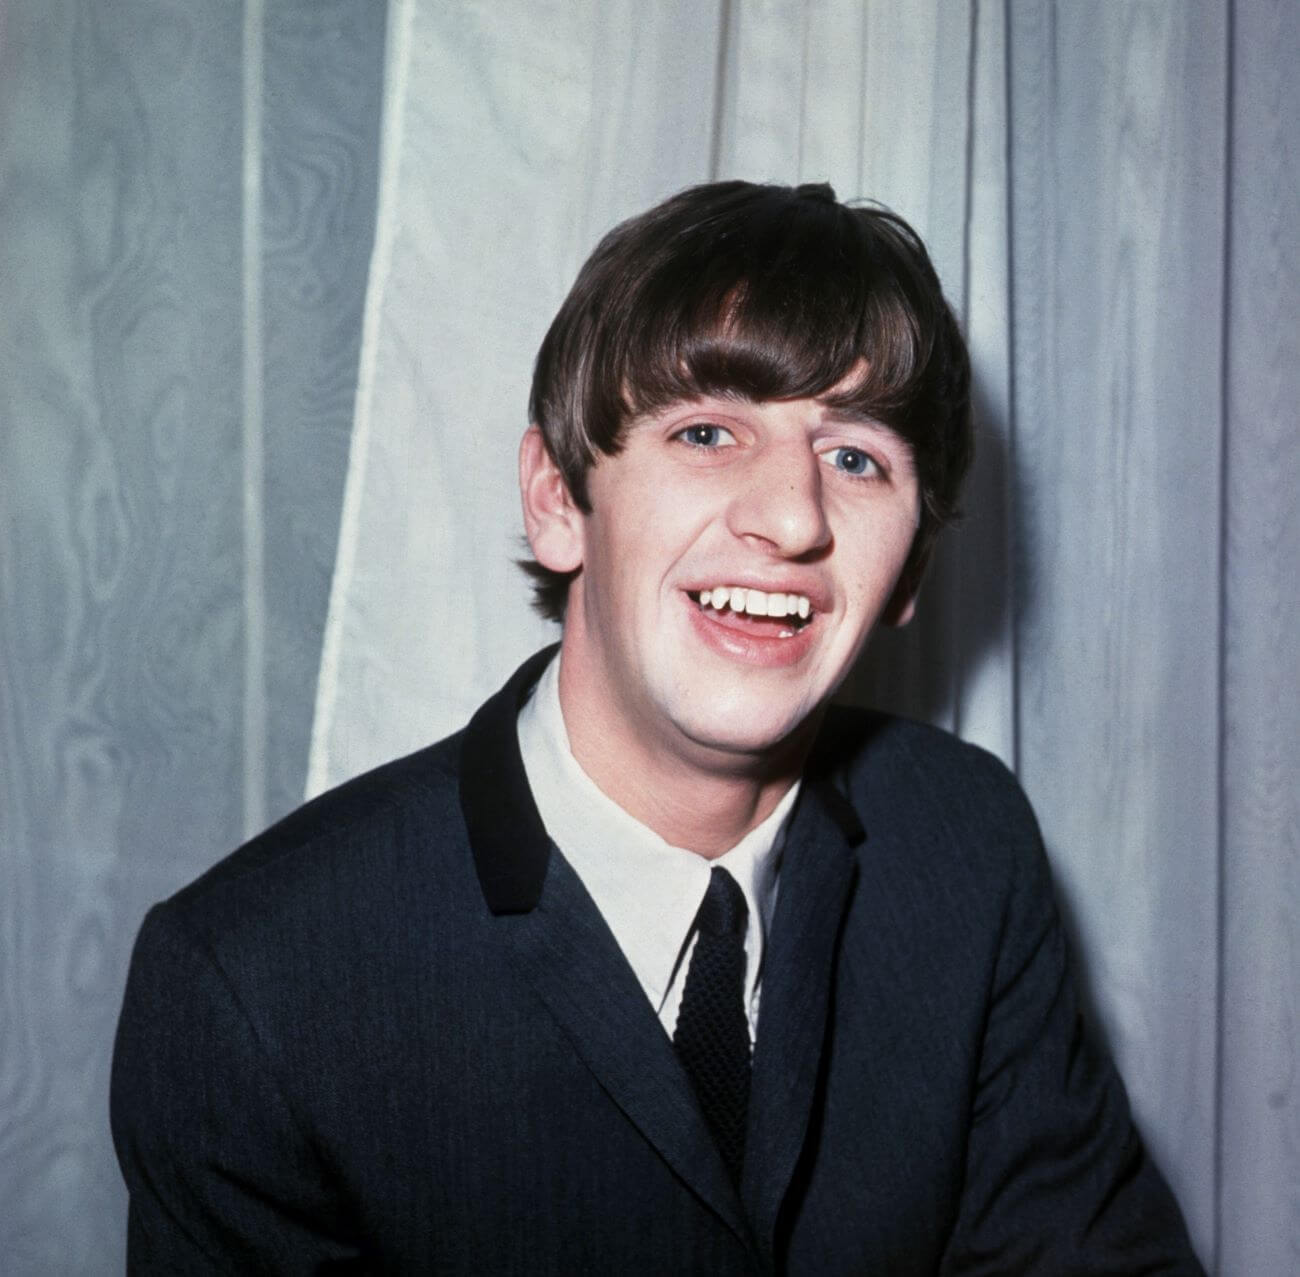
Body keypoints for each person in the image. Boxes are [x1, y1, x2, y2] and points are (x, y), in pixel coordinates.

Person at [111, 180, 1204, 1273]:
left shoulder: (963, 839)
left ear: (910, 566)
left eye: (856, 456)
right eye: (708, 430)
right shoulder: (254, 983)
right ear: (556, 500)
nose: (789, 516)